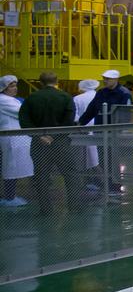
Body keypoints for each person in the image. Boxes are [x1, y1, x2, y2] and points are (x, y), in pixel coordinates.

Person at [18, 71, 82, 214]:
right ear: (56, 80)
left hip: (39, 143)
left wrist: (39, 135)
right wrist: (54, 136)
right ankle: (74, 207)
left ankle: (46, 209)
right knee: (71, 174)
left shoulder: (31, 98)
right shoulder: (65, 97)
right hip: (61, 143)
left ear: (40, 82)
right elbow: (68, 121)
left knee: (41, 176)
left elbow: (24, 120)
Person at [79, 68, 130, 193]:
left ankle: (114, 186)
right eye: (104, 79)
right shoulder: (101, 92)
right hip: (101, 131)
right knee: (103, 159)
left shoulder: (124, 94)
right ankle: (108, 185)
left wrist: (120, 130)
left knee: (112, 159)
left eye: (108, 79)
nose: (105, 81)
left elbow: (125, 114)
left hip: (114, 133)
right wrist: (80, 124)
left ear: (116, 79)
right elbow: (92, 109)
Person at [0, 75, 33, 208]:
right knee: (11, 167)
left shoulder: (10, 99)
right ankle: (9, 197)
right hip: (11, 138)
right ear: (4, 88)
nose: (15, 88)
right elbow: (22, 113)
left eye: (15, 85)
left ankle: (10, 195)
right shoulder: (3, 100)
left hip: (17, 138)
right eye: (11, 86)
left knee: (13, 166)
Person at [73, 78, 100, 173]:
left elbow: (74, 116)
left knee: (84, 157)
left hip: (83, 130)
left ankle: (86, 177)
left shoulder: (77, 98)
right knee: (98, 156)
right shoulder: (100, 96)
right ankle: (101, 179)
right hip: (100, 130)